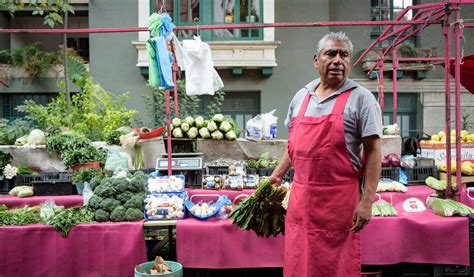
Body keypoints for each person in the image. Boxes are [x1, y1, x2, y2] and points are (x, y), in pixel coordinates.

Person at [269, 32, 382, 277]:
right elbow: (295, 147)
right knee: (300, 264)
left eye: (344, 55)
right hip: (301, 202)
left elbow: (374, 153)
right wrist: (276, 176)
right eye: (331, 53)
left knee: (335, 268)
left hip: (339, 206)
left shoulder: (362, 99)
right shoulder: (301, 97)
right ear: (316, 60)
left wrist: (367, 201)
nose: (338, 60)